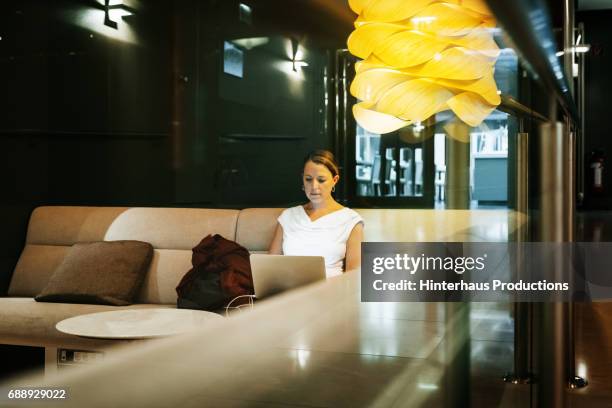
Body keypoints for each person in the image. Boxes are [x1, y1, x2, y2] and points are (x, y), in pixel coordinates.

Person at [268, 150, 364, 278]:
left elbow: (354, 276)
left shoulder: (351, 220)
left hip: (329, 292)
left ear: (335, 180)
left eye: (321, 180)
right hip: (289, 293)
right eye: (308, 179)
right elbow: (269, 268)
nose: (314, 186)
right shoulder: (288, 216)